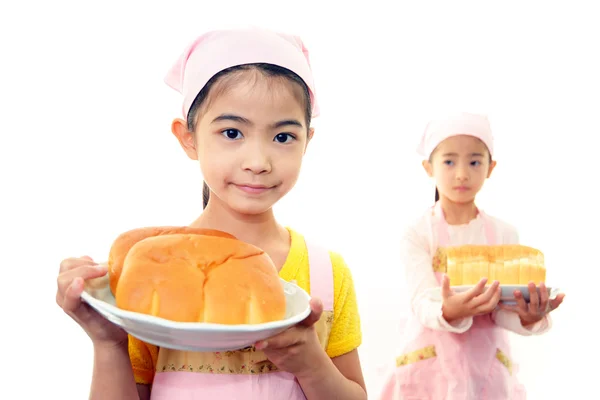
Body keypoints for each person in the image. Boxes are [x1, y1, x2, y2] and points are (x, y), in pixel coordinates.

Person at [55, 27, 366, 400]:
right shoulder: (152, 268)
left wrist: (311, 364)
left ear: (307, 141)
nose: (258, 162)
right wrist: (108, 344)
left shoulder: (326, 274)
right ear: (188, 137)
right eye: (232, 132)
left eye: (283, 137)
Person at [378, 112, 565, 399]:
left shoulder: (504, 234)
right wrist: (449, 310)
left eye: (475, 161)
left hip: (485, 368)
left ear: (491, 167)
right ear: (429, 167)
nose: (462, 173)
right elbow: (422, 301)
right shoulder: (417, 233)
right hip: (430, 367)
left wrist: (528, 317)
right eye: (449, 161)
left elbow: (501, 312)